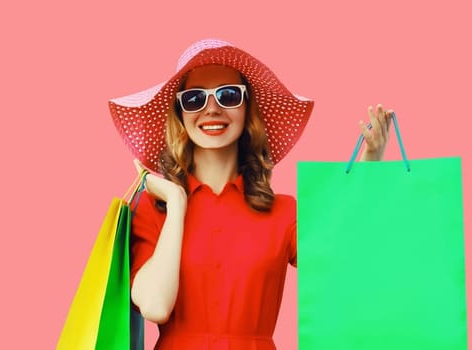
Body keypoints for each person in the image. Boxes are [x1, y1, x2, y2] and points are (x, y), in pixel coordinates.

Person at [108, 38, 394, 349]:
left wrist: (369, 171)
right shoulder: (154, 208)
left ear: (247, 109)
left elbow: (342, 259)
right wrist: (176, 203)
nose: (212, 108)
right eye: (194, 99)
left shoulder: (283, 212)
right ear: (180, 113)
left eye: (228, 96)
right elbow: (155, 306)